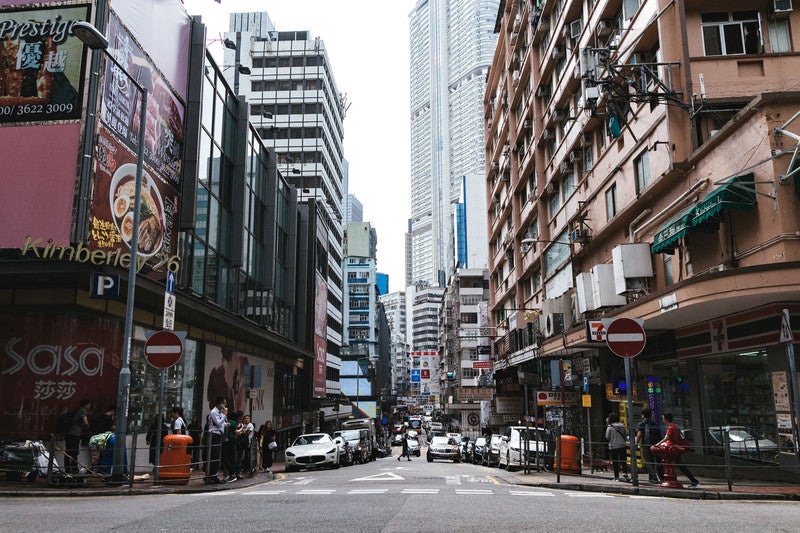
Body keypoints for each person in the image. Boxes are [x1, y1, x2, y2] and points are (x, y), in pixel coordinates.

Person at [655, 412, 699, 488]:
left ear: (666, 419)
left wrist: (658, 444)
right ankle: (693, 480)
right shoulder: (675, 426)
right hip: (676, 448)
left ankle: (693, 480)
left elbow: (667, 438)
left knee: (678, 465)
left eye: (663, 418)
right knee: (680, 465)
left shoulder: (670, 427)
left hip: (671, 449)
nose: (662, 420)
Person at [205, 396, 229, 485]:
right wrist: (224, 415)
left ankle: (214, 476)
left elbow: (220, 423)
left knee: (216, 457)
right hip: (213, 435)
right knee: (213, 456)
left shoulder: (219, 412)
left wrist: (226, 424)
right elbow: (218, 424)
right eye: (224, 403)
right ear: (220, 403)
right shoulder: (213, 412)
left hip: (218, 435)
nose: (225, 405)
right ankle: (210, 476)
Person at [65, 399, 91, 476]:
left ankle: (68, 468)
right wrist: (88, 427)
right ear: (86, 405)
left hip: (70, 433)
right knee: (74, 451)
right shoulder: (83, 410)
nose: (89, 406)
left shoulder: (78, 411)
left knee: (68, 451)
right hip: (74, 434)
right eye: (89, 405)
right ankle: (74, 468)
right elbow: (85, 421)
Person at [636, 408, 662, 484]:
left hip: (646, 444)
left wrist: (636, 443)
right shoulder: (655, 423)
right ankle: (652, 478)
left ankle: (654, 477)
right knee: (653, 461)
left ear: (643, 415)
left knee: (648, 461)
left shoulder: (642, 424)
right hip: (655, 445)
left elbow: (639, 434)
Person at [605, 412, 629, 482]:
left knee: (615, 462)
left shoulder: (610, 427)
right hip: (622, 445)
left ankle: (616, 477)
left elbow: (607, 437)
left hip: (613, 446)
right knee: (623, 461)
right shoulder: (622, 425)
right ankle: (625, 473)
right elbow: (625, 434)